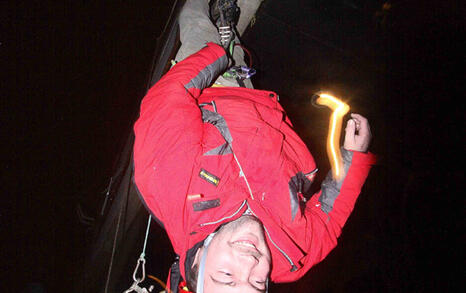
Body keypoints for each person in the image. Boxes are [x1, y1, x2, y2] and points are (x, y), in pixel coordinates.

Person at [132, 1, 376, 292]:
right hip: (257, 106)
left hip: (207, 86)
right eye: (258, 283)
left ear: (197, 265)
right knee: (237, 20)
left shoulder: (169, 187)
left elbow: (170, 97)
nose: (250, 263)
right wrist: (354, 159)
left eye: (226, 277)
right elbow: (328, 221)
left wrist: (218, 54)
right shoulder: (292, 259)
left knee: (194, 17)